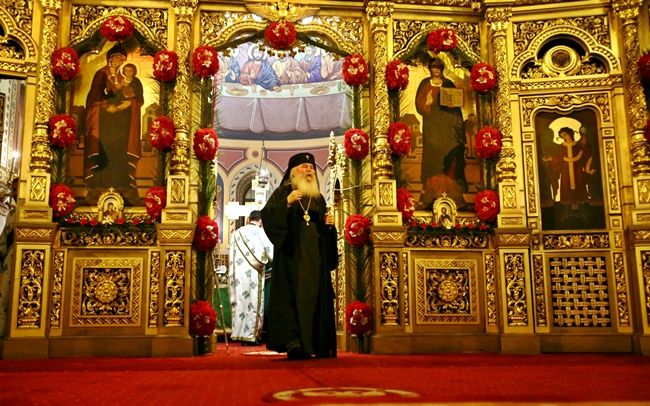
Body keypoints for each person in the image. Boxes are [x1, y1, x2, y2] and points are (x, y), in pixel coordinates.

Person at [261, 152, 338, 360]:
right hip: (292, 258)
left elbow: (324, 229)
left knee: (315, 296)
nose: (309, 170)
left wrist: (329, 226)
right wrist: (286, 203)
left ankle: (316, 343)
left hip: (315, 258)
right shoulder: (283, 192)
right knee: (292, 298)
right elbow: (267, 216)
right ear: (294, 172)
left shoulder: (318, 198)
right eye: (305, 167)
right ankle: (294, 342)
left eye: (311, 167)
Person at [85, 45, 143, 198]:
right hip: (104, 120)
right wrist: (106, 105)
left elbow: (132, 96)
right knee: (105, 150)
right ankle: (100, 184)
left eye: (121, 59)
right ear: (110, 59)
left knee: (119, 151)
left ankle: (121, 183)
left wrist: (127, 104)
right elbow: (94, 96)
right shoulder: (101, 74)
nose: (118, 61)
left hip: (121, 122)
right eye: (116, 58)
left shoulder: (122, 77)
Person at [416, 58, 466, 207]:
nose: (435, 70)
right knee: (433, 157)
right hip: (432, 126)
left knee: (449, 157)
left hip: (448, 126)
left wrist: (452, 104)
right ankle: (431, 193)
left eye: (438, 68)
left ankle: (452, 193)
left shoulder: (448, 83)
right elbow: (419, 104)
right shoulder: (425, 83)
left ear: (442, 69)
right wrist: (427, 103)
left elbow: (456, 106)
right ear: (430, 69)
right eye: (433, 68)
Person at [228, 210, 274, 345]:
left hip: (237, 274)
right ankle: (251, 336)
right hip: (254, 275)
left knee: (240, 302)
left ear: (248, 219)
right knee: (253, 303)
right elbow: (271, 253)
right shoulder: (261, 233)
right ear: (261, 221)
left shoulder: (236, 233)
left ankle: (238, 334)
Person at [554, 126, 593, 208]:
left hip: (577, 168)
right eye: (562, 136)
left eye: (565, 134)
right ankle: (569, 202)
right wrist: (563, 159)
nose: (564, 137)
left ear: (570, 133)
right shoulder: (561, 146)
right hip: (566, 169)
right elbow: (558, 157)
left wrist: (587, 168)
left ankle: (579, 202)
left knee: (579, 182)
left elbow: (586, 155)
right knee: (566, 184)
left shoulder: (578, 145)